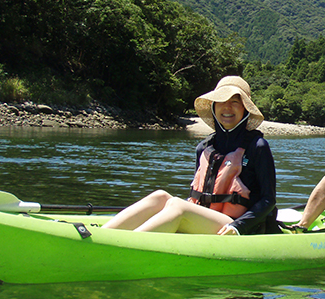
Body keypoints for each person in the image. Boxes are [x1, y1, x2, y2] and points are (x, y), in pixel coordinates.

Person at [102, 76, 278, 235]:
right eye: (221, 101)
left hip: (235, 225)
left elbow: (268, 199)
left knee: (177, 206)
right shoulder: (204, 147)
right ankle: (103, 236)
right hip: (207, 218)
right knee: (160, 196)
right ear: (213, 107)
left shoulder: (258, 147)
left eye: (235, 102)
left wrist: (239, 226)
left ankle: (126, 245)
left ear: (245, 109)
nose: (227, 107)